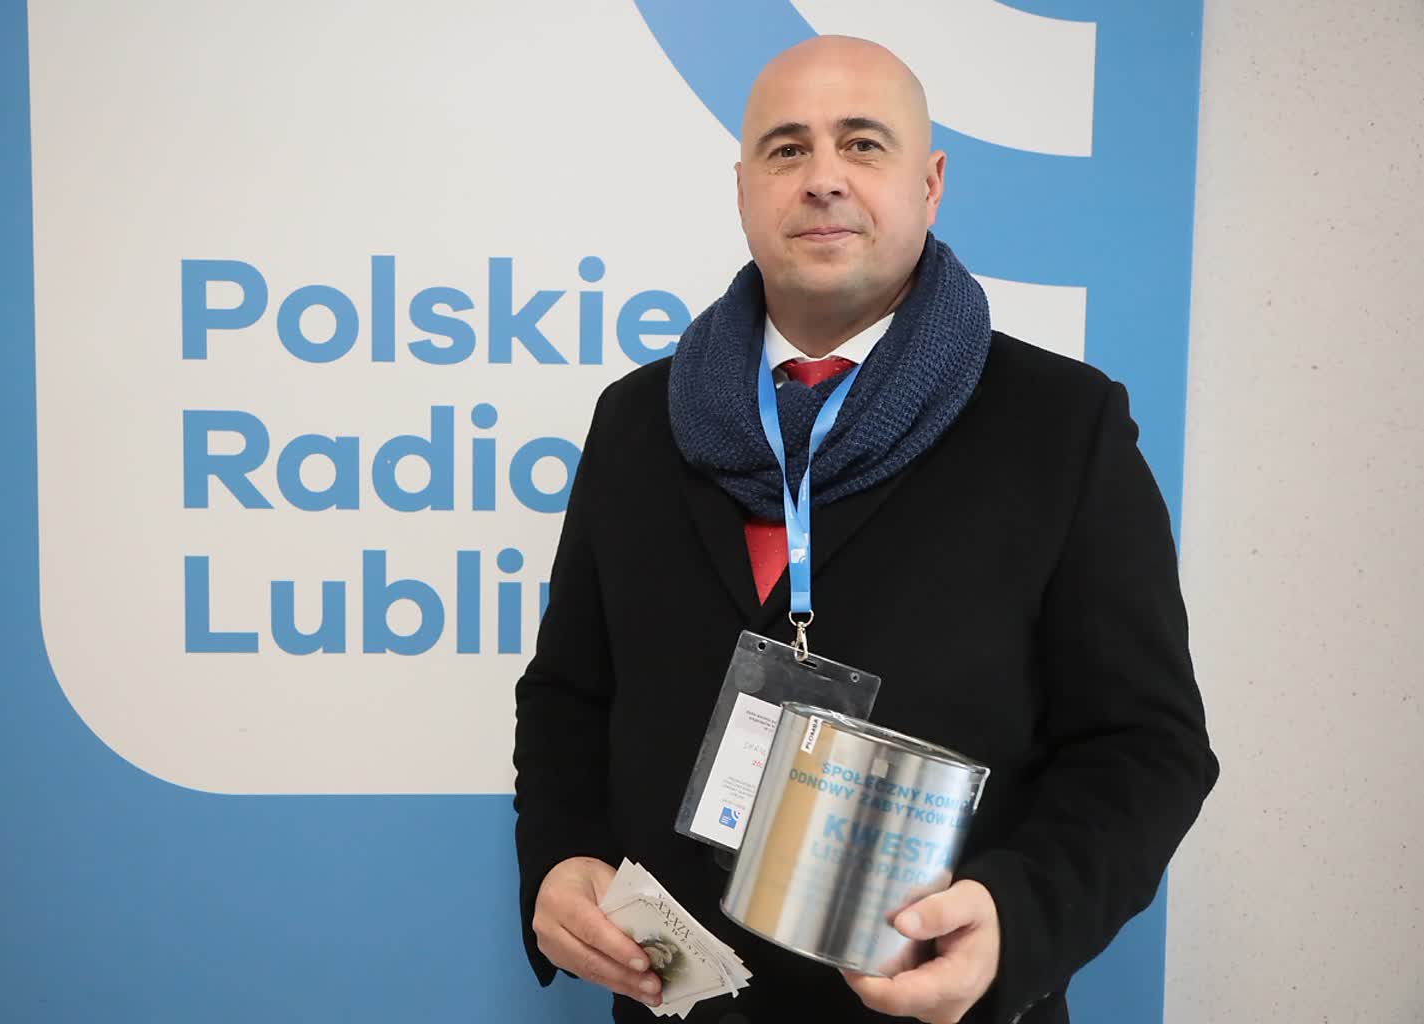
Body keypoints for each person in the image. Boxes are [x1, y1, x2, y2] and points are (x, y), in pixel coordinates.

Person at [513, 34, 1217, 1024]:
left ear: (930, 183)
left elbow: (1144, 745)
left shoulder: (1061, 425)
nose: (822, 177)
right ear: (743, 187)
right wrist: (559, 857)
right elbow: (569, 695)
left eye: (862, 143)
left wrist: (1014, 921)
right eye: (786, 149)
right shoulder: (637, 419)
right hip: (680, 1005)